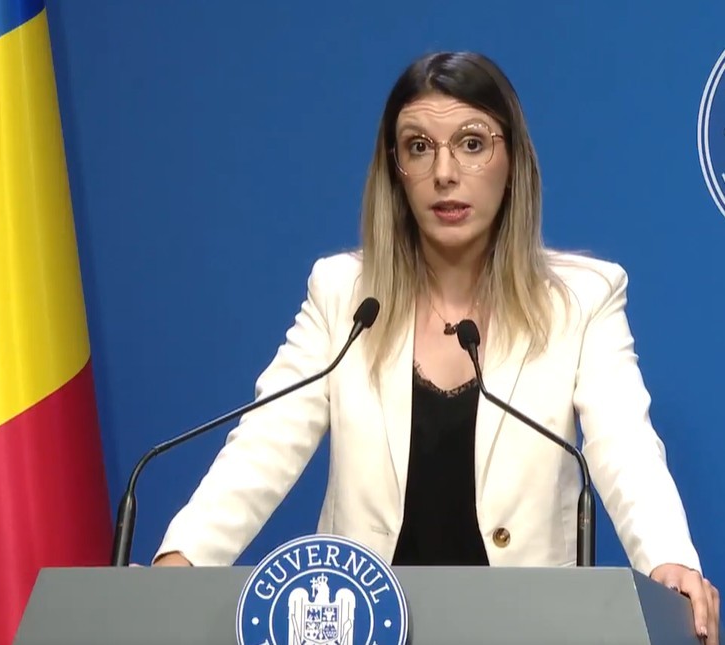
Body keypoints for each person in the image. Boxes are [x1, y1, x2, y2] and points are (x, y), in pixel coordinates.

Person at [151, 51, 719, 641]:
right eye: (419, 147)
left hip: (527, 628)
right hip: (369, 626)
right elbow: (265, 442)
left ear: (513, 161)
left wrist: (667, 559)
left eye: (472, 144)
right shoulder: (344, 294)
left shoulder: (582, 299)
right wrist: (185, 556)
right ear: (394, 168)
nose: (444, 172)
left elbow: (625, 447)